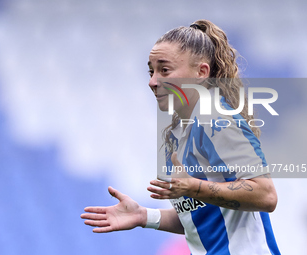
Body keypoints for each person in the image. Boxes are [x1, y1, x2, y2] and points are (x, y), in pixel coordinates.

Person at [81, 20, 280, 255]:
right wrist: (144, 216)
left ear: (201, 73)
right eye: (151, 71)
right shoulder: (179, 136)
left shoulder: (217, 120)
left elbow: (266, 195)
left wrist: (194, 187)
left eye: (164, 70)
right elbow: (200, 218)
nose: (153, 81)